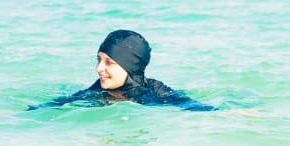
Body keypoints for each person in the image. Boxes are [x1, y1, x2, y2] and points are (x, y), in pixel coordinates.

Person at [28, 30, 217, 111]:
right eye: (98, 60)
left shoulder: (155, 92)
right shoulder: (95, 90)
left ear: (130, 65)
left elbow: (195, 108)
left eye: (108, 62)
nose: (98, 68)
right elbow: (58, 105)